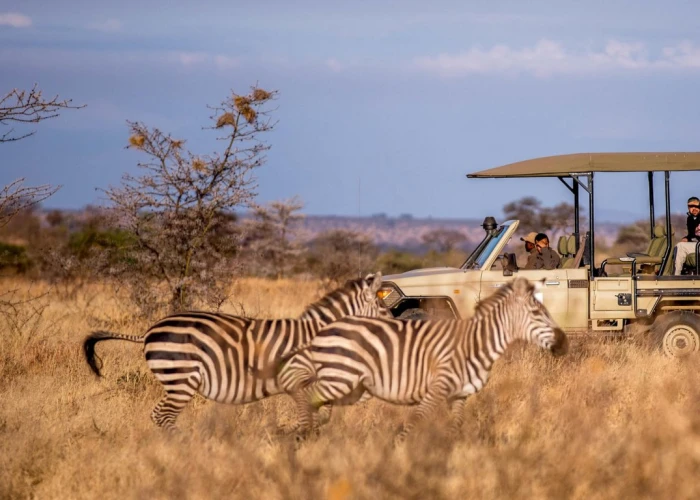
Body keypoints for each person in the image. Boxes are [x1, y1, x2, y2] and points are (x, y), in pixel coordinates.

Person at [674, 196, 700, 275]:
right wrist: (686, 238)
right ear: (688, 207)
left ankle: (676, 276)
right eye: (691, 207)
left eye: (696, 206)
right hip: (695, 244)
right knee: (677, 247)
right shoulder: (690, 219)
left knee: (680, 246)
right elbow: (691, 234)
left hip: (698, 244)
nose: (694, 209)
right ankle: (680, 273)